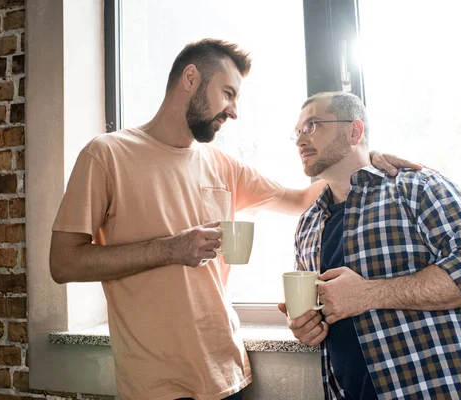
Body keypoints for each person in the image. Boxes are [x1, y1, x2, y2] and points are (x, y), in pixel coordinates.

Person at [49, 39, 418, 400]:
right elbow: (64, 262)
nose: (234, 111)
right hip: (154, 384)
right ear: (190, 78)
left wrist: (365, 155)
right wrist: (170, 249)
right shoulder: (106, 155)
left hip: (228, 374)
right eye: (228, 93)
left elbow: (304, 198)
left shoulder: (223, 165)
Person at [278, 91, 461, 399]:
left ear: (354, 131)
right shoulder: (307, 225)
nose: (300, 139)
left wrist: (368, 294)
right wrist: (305, 326)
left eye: (313, 125)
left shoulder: (417, 187)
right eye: (297, 132)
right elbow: (325, 309)